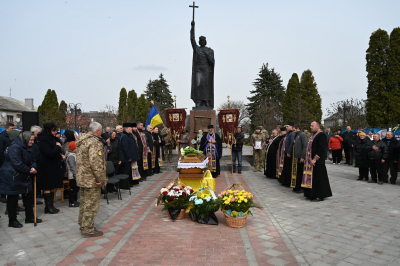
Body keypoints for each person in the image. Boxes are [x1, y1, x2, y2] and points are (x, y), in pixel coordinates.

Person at [0, 131, 43, 227]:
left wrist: (33, 167)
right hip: (13, 176)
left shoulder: (29, 147)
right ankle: (12, 220)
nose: (32, 142)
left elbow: (33, 160)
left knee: (29, 196)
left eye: (33, 140)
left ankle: (30, 217)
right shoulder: (15, 147)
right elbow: (17, 164)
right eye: (31, 140)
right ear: (25, 139)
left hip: (24, 175)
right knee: (13, 198)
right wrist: (29, 170)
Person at [76, 122, 107, 238]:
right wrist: (101, 179)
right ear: (98, 131)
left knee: (84, 203)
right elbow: (96, 163)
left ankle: (83, 224)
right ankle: (88, 229)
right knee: (91, 205)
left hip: (83, 177)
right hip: (92, 179)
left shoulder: (81, 140)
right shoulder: (94, 142)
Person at [37, 123, 64, 214]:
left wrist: (60, 155)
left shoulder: (52, 138)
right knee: (47, 186)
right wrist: (57, 147)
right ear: (48, 131)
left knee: (53, 185)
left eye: (56, 130)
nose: (55, 132)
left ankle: (51, 205)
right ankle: (48, 206)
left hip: (53, 166)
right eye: (53, 130)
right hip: (47, 167)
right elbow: (49, 152)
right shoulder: (43, 140)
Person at [302, 121, 332, 202]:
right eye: (310, 125)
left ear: (317, 126)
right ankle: (311, 194)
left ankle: (320, 195)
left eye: (312, 125)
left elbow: (321, 149)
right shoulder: (313, 135)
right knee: (313, 179)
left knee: (319, 179)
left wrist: (315, 159)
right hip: (310, 161)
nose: (310, 127)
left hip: (318, 162)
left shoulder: (321, 135)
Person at [292, 125, 308, 193]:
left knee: (300, 173)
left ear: (298, 129)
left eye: (294, 129)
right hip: (296, 156)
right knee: (297, 173)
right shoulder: (296, 135)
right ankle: (296, 187)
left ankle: (301, 187)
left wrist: (302, 156)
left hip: (300, 157)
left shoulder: (303, 135)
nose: (293, 131)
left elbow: (305, 146)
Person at [279, 122, 295, 187]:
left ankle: (288, 182)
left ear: (291, 127)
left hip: (289, 153)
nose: (286, 127)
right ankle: (284, 181)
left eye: (287, 126)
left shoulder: (292, 134)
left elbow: (292, 143)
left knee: (288, 168)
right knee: (285, 167)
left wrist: (289, 152)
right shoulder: (288, 134)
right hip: (285, 152)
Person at [65, 141, 80, 207]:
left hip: (76, 175)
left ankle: (75, 200)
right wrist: (76, 174)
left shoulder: (74, 154)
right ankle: (72, 202)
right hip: (73, 176)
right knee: (73, 189)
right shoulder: (71, 156)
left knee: (76, 188)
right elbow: (72, 166)